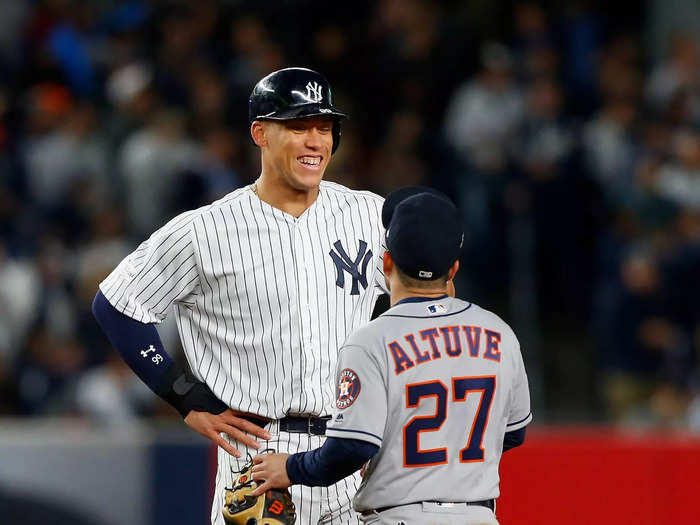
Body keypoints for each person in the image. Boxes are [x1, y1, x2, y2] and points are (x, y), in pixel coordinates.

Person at [92, 67, 391, 525]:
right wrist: (183, 395)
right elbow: (116, 305)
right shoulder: (205, 230)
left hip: (348, 451)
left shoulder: (369, 214)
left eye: (324, 127)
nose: (315, 141)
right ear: (260, 134)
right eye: (297, 127)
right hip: (256, 456)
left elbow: (424, 301)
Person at [249, 192, 533, 525]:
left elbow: (352, 449)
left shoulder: (370, 341)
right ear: (453, 269)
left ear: (386, 263)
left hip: (400, 516)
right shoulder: (498, 333)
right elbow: (513, 433)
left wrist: (290, 468)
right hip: (478, 516)